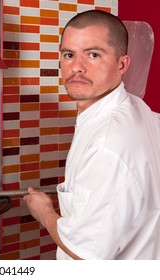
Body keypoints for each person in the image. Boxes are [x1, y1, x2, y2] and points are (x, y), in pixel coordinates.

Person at [23, 10, 160, 259]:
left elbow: (84, 253)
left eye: (93, 55)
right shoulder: (136, 109)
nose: (77, 67)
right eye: (69, 55)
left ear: (122, 64)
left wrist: (43, 211)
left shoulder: (107, 145)